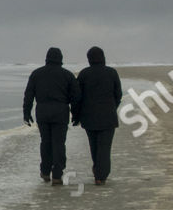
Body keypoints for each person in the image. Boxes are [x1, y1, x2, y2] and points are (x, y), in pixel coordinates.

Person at [23, 47, 79, 185]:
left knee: (45, 142)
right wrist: (76, 114)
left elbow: (29, 95)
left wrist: (26, 112)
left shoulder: (36, 74)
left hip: (42, 112)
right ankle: (57, 175)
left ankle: (45, 171)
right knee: (59, 143)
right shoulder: (67, 75)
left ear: (47, 58)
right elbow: (76, 97)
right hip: (60, 112)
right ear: (60, 59)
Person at [71, 46, 122, 185]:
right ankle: (101, 175)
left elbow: (77, 97)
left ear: (89, 59)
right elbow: (118, 95)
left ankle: (98, 171)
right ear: (103, 57)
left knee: (94, 146)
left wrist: (76, 115)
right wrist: (112, 107)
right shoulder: (112, 73)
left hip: (89, 117)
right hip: (108, 117)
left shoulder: (84, 74)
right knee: (104, 148)